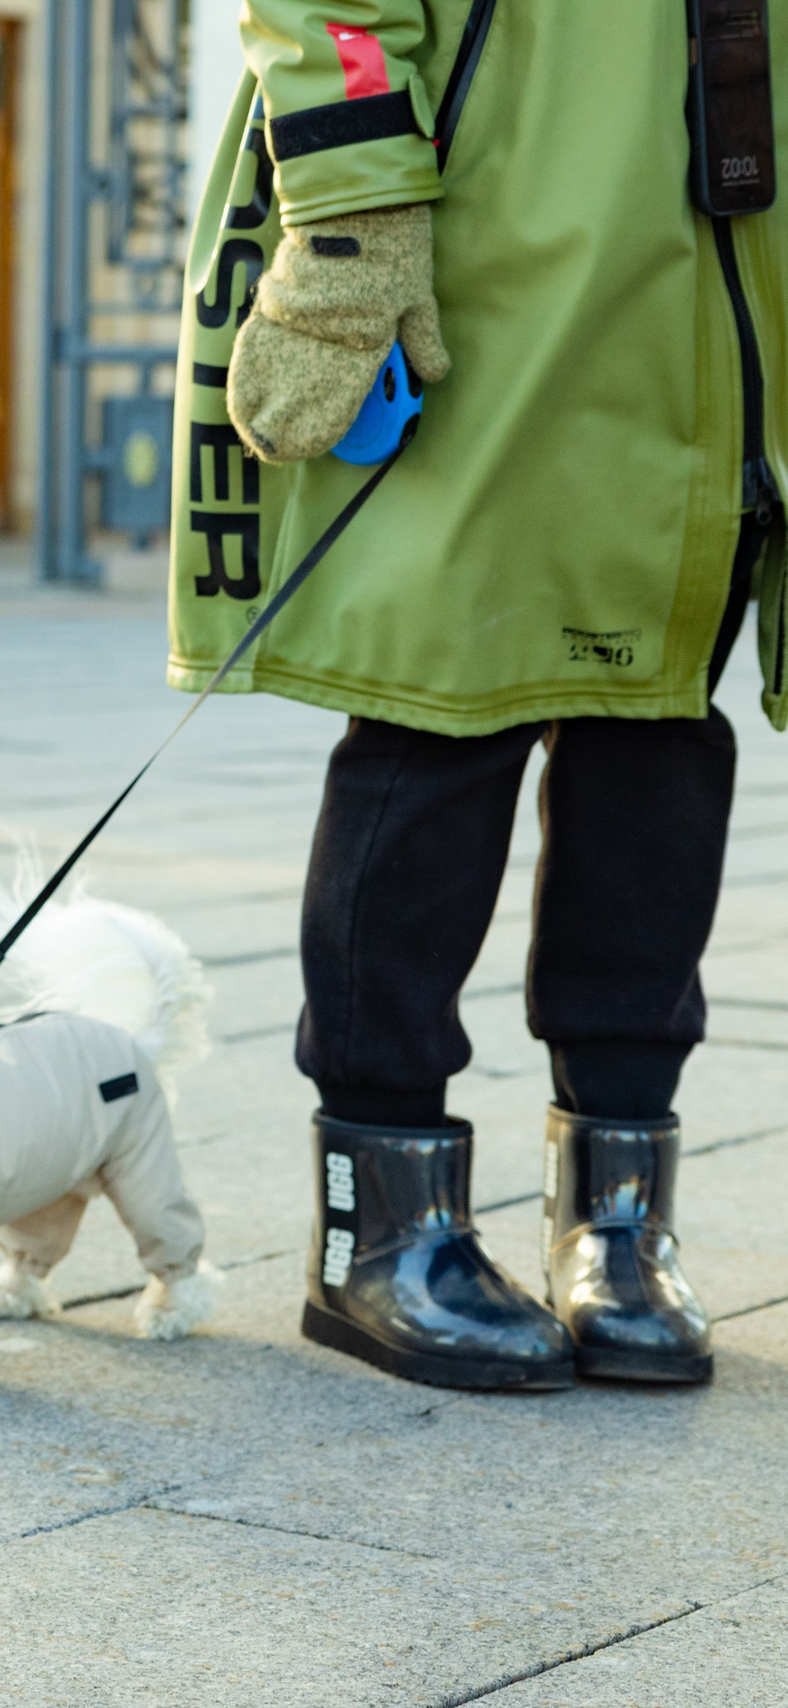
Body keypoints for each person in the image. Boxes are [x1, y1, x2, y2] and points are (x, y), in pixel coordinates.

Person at [169, 4, 786, 1389]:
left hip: (726, 311)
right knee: (437, 713)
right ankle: (379, 1230)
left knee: (662, 743)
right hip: (499, 286)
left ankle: (619, 1223)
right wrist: (348, 227)